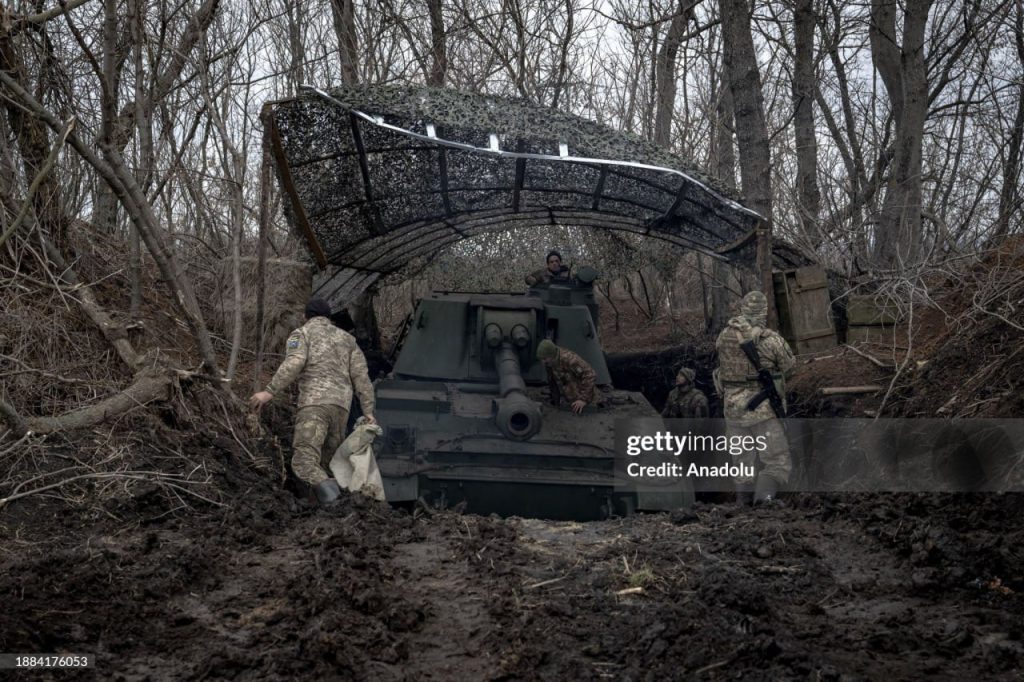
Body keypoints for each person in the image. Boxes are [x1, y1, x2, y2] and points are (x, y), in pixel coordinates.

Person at [249, 298, 377, 505]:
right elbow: (362, 377)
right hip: (341, 409)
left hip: (314, 405)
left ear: (305, 316)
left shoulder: (303, 333)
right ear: (328, 317)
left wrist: (269, 391)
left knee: (304, 461)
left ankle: (338, 504)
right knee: (327, 465)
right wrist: (368, 410)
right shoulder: (347, 340)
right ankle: (327, 513)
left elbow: (295, 362)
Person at [714, 290, 795, 505]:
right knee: (777, 460)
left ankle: (742, 504)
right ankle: (764, 501)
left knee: (742, 460)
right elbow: (789, 366)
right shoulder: (770, 340)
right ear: (764, 312)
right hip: (762, 411)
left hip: (732, 409)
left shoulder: (724, 336)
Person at [536, 339, 597, 414]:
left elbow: (590, 374)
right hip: (568, 398)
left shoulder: (569, 359)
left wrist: (583, 399)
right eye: (541, 359)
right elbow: (552, 381)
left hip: (584, 400)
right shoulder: (549, 362)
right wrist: (556, 401)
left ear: (552, 355)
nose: (543, 361)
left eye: (545, 359)